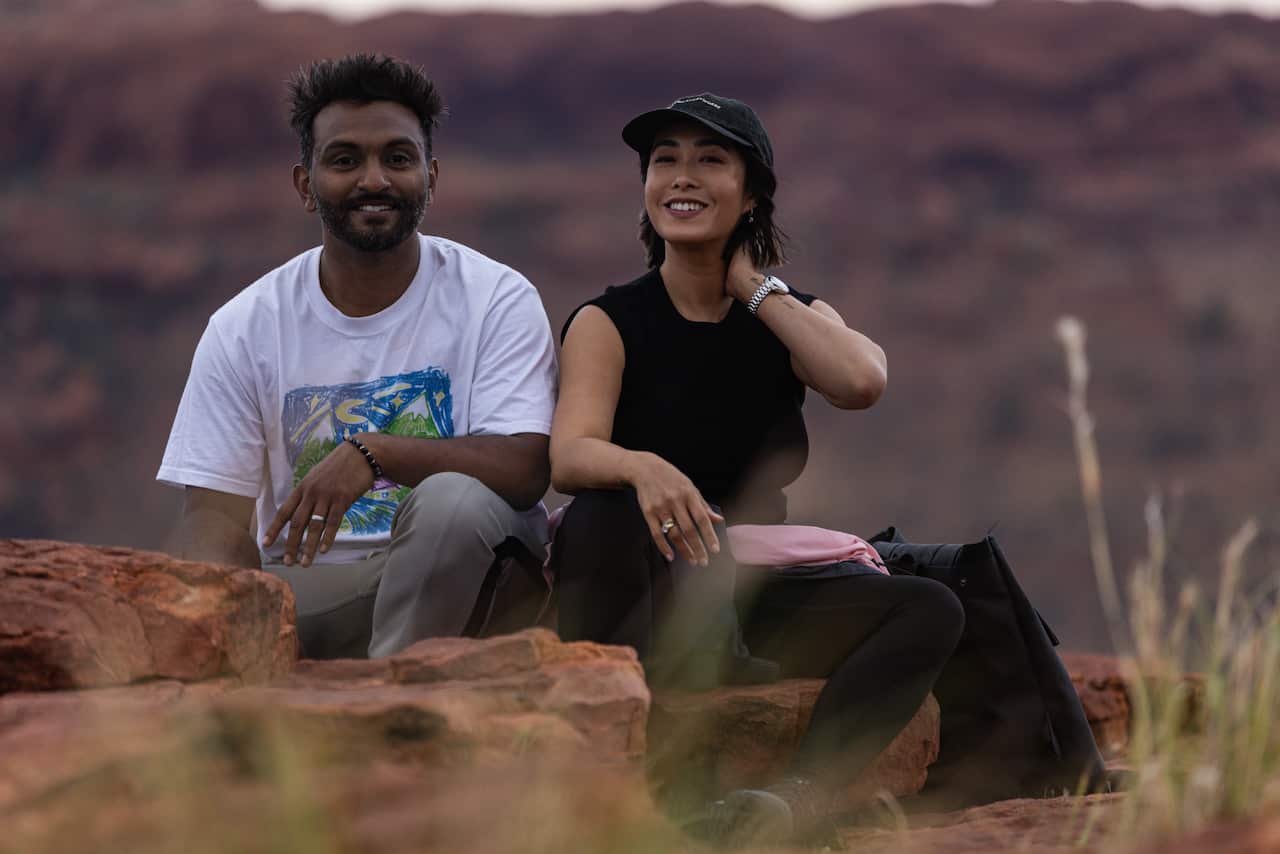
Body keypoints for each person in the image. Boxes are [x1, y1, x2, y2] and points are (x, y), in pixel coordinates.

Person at [547, 93, 965, 844]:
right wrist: (642, 467)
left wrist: (752, 288)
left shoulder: (786, 315)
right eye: (665, 161)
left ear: (751, 195)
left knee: (929, 608)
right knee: (600, 512)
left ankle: (790, 801)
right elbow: (570, 454)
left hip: (751, 581)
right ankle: (640, 785)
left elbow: (861, 382)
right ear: (646, 188)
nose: (683, 176)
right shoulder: (609, 321)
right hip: (651, 577)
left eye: (710, 160)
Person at [157, 54, 557, 660]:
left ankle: (393, 694)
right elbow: (214, 515)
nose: (374, 180)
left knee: (453, 503)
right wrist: (228, 631)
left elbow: (526, 467)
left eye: (398, 158)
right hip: (317, 588)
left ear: (431, 176)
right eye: (345, 160)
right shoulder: (245, 327)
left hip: (472, 576)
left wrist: (376, 452)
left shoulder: (495, 298)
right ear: (305, 184)